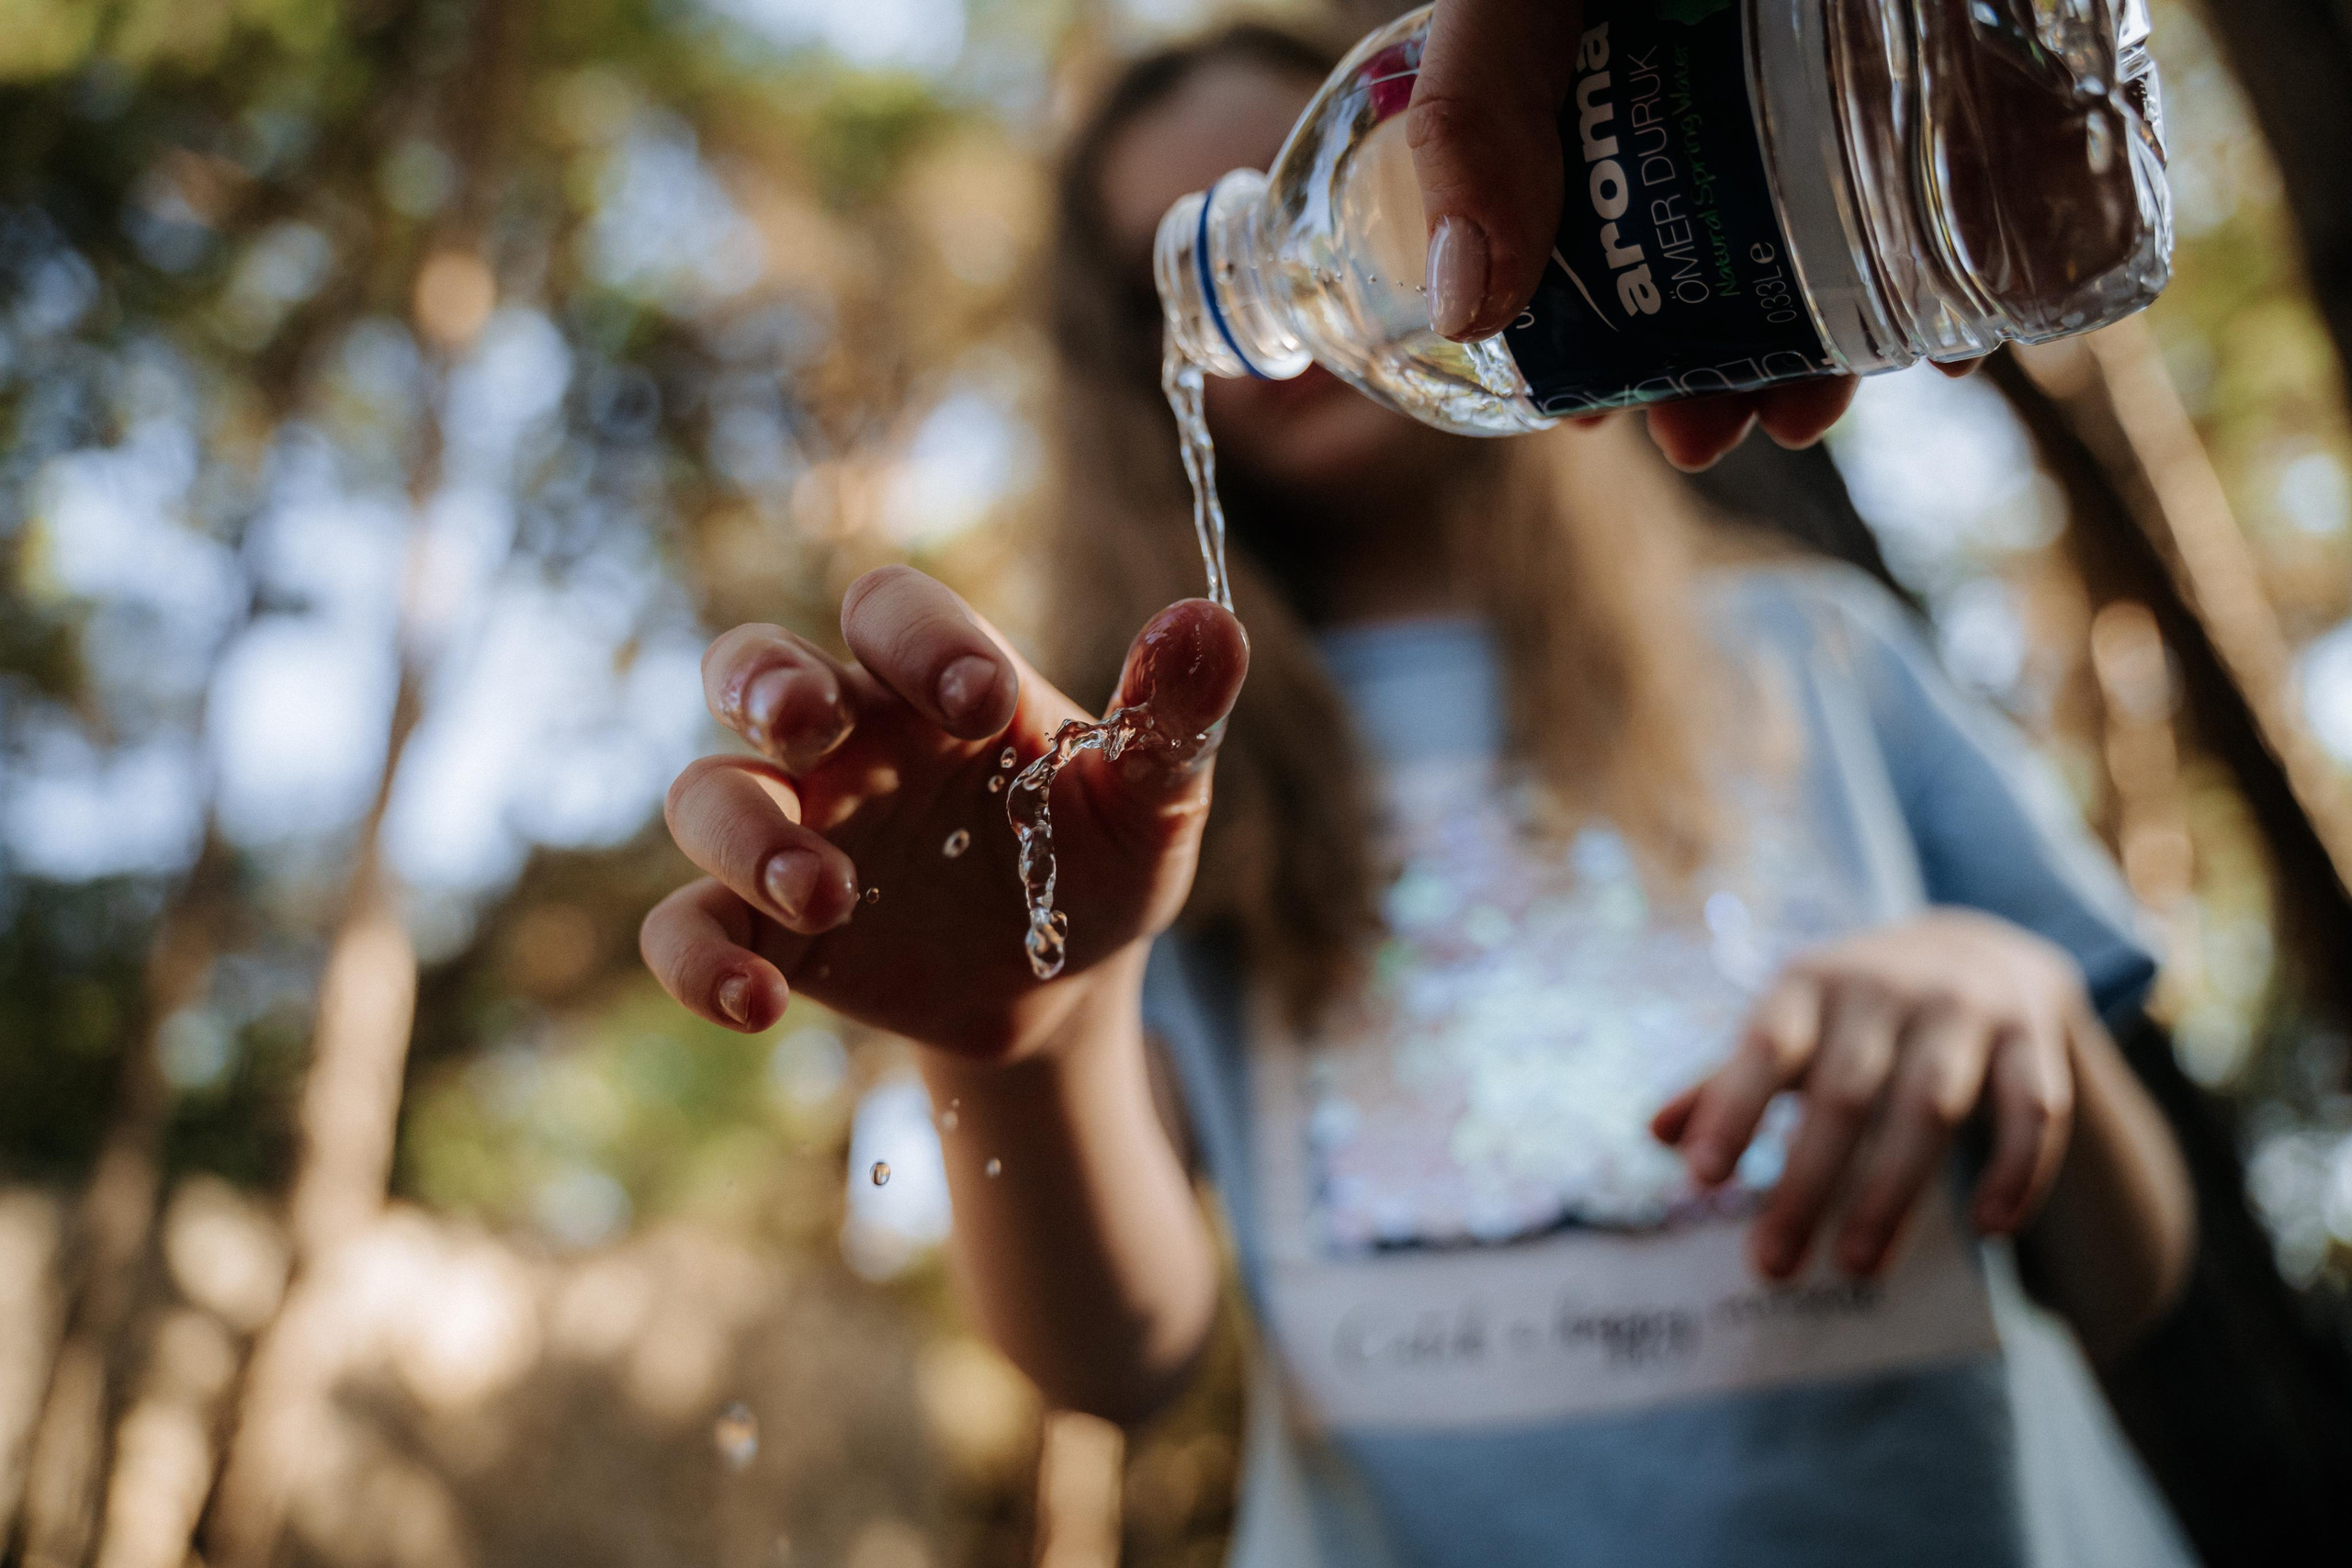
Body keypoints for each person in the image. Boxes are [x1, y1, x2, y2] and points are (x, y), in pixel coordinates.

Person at [640, 20, 2197, 1567]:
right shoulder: (1128, 788)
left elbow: (2137, 1276)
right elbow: (1118, 1362)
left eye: (1310, 187)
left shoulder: (1812, 655)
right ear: (1145, 362)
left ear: (1485, 174)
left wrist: (2023, 1000)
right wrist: (1028, 1044)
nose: (1306, 285)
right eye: (1171, 267)